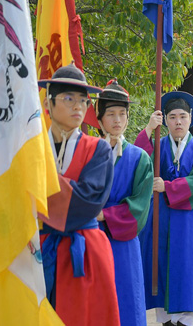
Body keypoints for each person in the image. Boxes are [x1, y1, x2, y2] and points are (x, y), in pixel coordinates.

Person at [38, 64, 120, 326]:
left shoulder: (99, 149)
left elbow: (89, 201)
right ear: (48, 103)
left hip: (85, 254)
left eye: (83, 100)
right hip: (36, 249)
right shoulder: (32, 148)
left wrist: (36, 191)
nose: (78, 106)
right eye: (68, 98)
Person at [135, 91, 193, 326]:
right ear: (165, 120)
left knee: (188, 267)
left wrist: (167, 187)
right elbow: (137, 161)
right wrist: (149, 129)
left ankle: (186, 321)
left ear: (190, 118)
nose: (178, 122)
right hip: (161, 216)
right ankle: (166, 320)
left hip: (189, 217)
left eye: (182, 117)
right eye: (172, 117)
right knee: (160, 266)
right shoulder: (157, 146)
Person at [90, 80, 154, 326]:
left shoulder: (139, 158)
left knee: (125, 297)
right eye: (111, 114)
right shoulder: (86, 152)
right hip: (89, 237)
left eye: (122, 114)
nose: (117, 120)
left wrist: (104, 215)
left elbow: (140, 206)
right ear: (99, 118)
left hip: (123, 242)